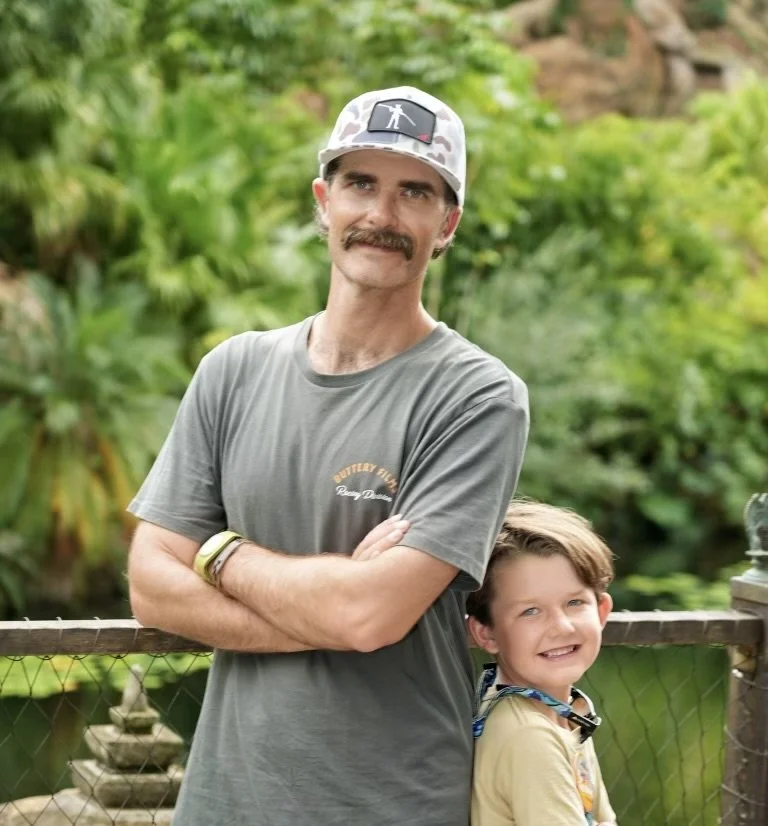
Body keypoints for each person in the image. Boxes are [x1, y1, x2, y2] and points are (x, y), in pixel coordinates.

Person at [127, 85, 529, 826]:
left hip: (390, 805)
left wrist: (217, 554)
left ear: (448, 224)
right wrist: (335, 609)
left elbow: (371, 616)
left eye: (414, 191)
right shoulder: (234, 369)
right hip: (225, 803)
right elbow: (152, 585)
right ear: (324, 201)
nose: (382, 215)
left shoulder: (478, 397)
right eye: (361, 184)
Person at [466, 501, 618, 826]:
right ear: (487, 633)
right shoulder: (530, 737)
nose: (562, 627)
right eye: (530, 611)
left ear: (601, 611)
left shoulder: (564, 712)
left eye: (574, 602)